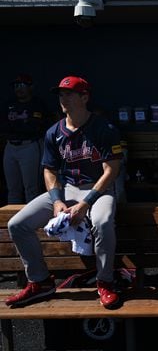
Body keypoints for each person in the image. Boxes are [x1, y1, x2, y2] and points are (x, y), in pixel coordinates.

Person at [6, 76, 123, 308]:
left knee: (102, 221)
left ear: (85, 97)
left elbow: (112, 170)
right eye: (61, 94)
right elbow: (49, 171)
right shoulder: (53, 132)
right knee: (17, 224)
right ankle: (40, 282)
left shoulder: (104, 128)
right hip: (67, 189)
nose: (63, 98)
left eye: (69, 93)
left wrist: (86, 203)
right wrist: (57, 201)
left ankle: (105, 282)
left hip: (97, 190)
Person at [2, 74, 49, 204]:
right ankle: (11, 222)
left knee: (31, 188)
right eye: (16, 86)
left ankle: (31, 222)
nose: (19, 88)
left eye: (23, 85)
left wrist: (17, 126)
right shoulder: (9, 104)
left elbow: (35, 127)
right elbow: (4, 126)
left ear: (31, 87)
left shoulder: (37, 104)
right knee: (12, 188)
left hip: (30, 146)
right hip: (10, 146)